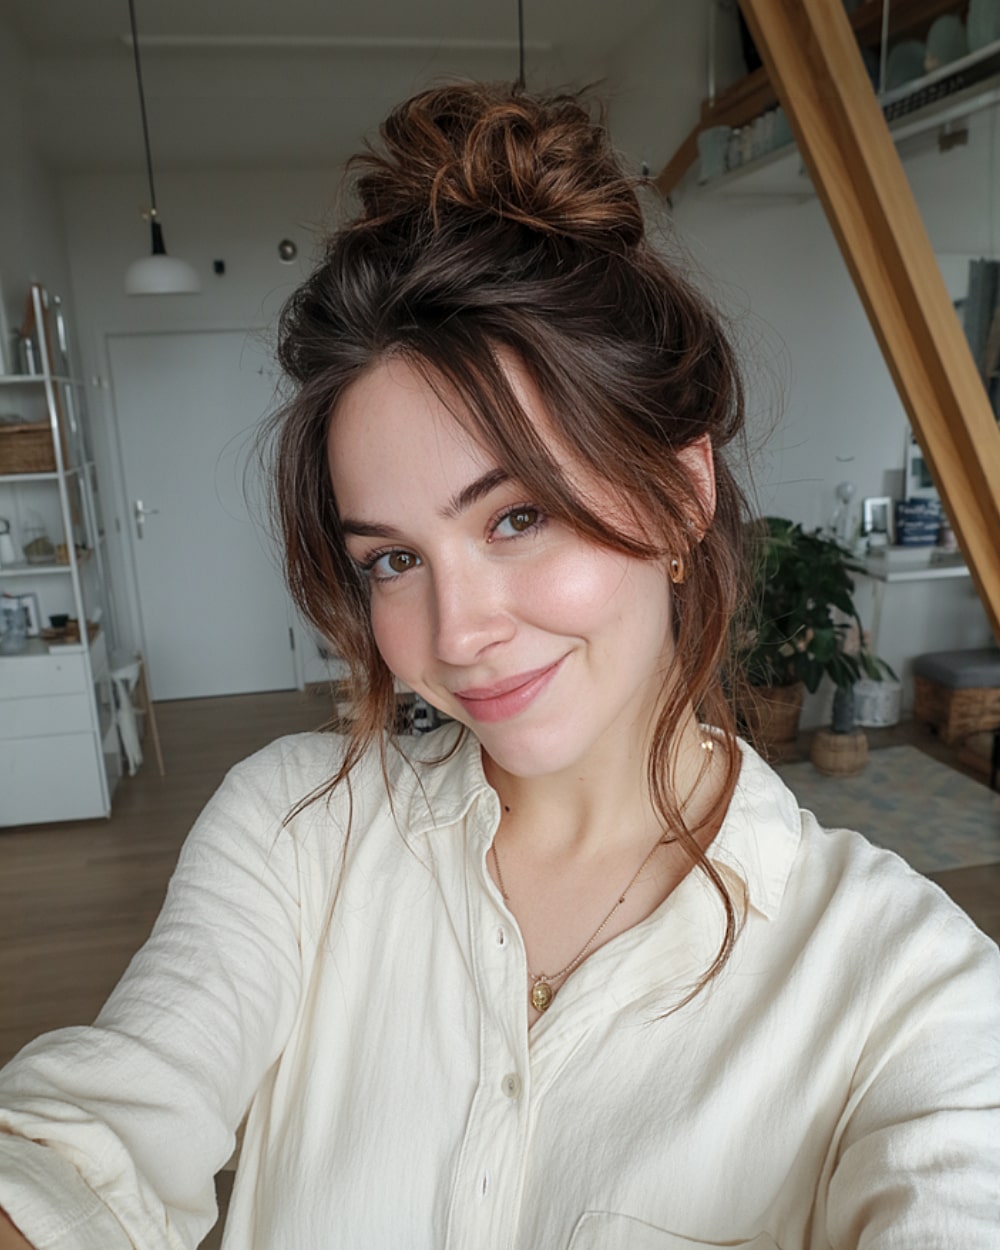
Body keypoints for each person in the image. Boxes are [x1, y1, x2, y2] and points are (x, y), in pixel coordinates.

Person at [0, 82, 998, 1250]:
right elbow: (87, 1150)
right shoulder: (297, 831)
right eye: (392, 559)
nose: (457, 631)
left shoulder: (904, 986)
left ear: (681, 495)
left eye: (518, 516)